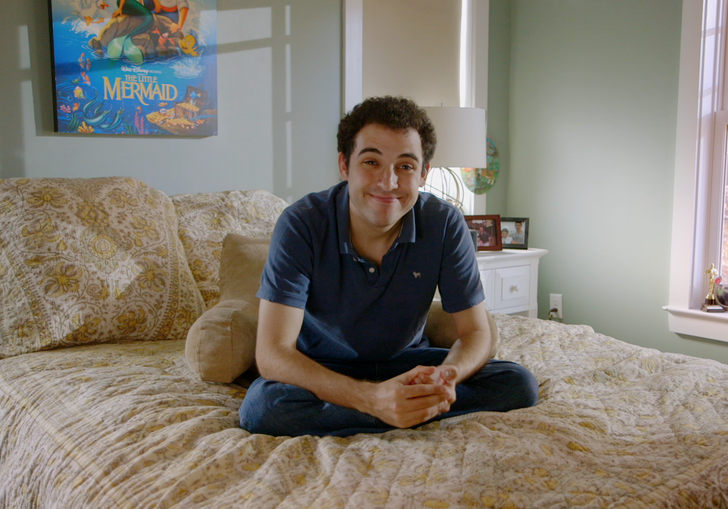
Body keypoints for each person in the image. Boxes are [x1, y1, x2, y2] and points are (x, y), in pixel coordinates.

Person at [239, 96, 538, 437]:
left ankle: (400, 407)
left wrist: (446, 378)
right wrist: (370, 398)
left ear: (424, 173)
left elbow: (476, 332)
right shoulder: (302, 223)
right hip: (325, 367)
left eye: (406, 166)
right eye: (371, 162)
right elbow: (273, 354)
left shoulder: (445, 224)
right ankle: (398, 410)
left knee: (519, 384)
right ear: (343, 165)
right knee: (264, 409)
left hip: (410, 364)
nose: (389, 182)